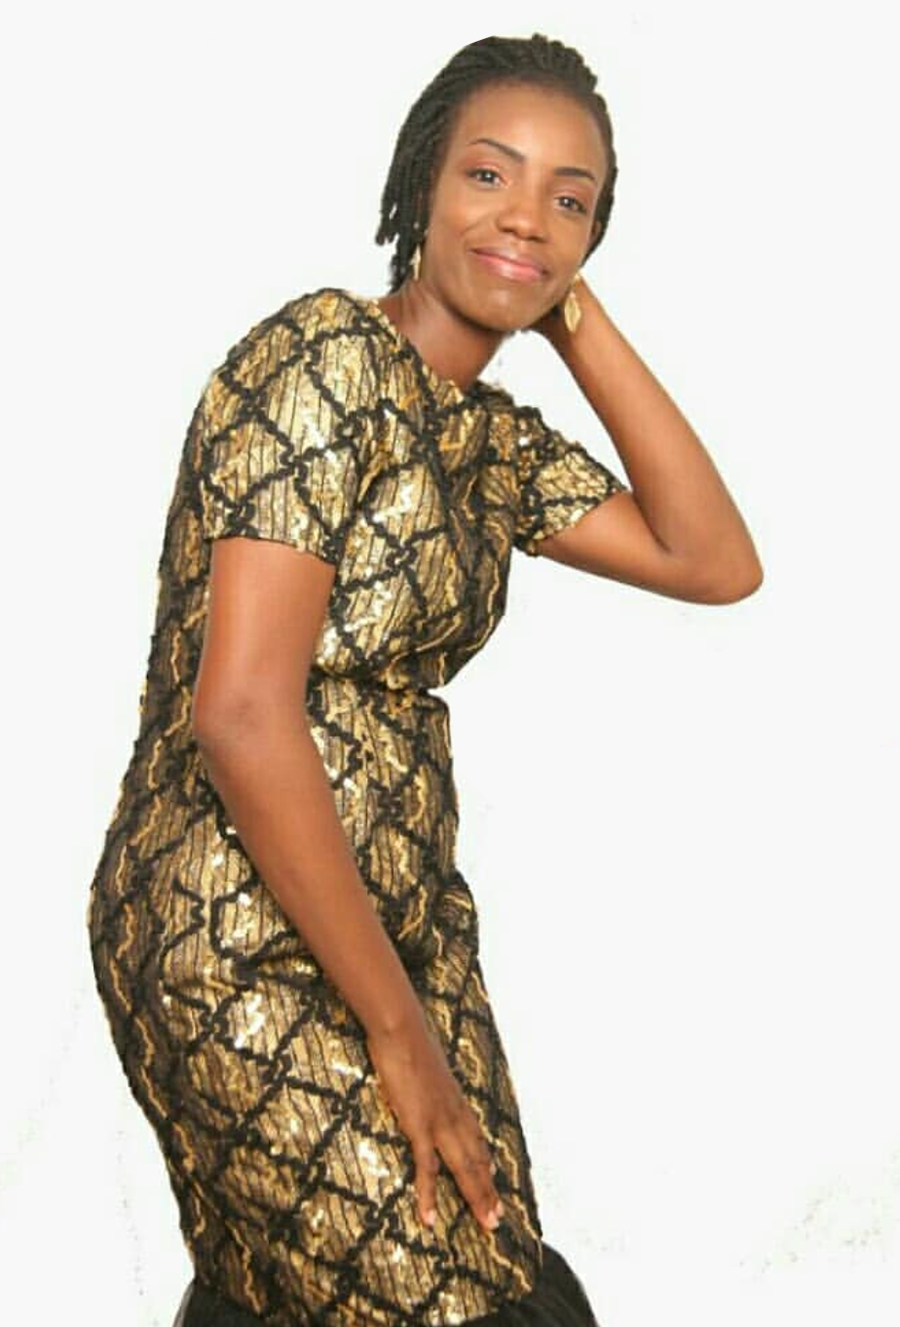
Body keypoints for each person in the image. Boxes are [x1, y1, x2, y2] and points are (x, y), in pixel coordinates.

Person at [87, 31, 763, 1327]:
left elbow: (713, 558)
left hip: (405, 926)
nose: (526, 216)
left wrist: (566, 306)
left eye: (570, 200)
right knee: (440, 1301)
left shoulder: (491, 445)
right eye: (489, 177)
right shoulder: (322, 356)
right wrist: (401, 1038)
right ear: (421, 186)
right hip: (234, 935)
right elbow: (241, 713)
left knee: (485, 1276)